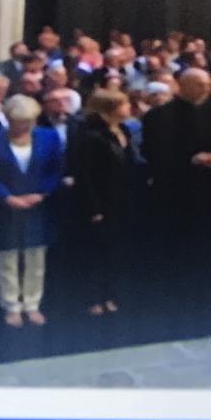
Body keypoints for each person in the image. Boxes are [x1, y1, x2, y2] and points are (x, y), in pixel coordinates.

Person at [141, 68, 211, 331]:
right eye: (199, 83)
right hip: (177, 190)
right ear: (183, 85)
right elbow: (153, 152)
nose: (207, 88)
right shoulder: (159, 116)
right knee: (179, 247)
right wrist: (189, 160)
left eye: (208, 83)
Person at [0, 94, 64, 327]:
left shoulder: (49, 137)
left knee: (36, 256)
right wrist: (6, 197)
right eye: (19, 121)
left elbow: (56, 170)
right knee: (8, 256)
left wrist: (43, 193)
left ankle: (32, 304)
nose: (25, 125)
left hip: (38, 206)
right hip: (6, 206)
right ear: (8, 119)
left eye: (29, 120)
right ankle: (11, 305)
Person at [69, 90, 134, 316]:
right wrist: (93, 208)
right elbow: (85, 175)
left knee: (116, 251)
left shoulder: (123, 130)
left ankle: (112, 293)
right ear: (110, 108)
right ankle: (93, 296)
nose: (129, 108)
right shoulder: (91, 136)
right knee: (96, 252)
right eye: (125, 104)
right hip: (101, 201)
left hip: (122, 200)